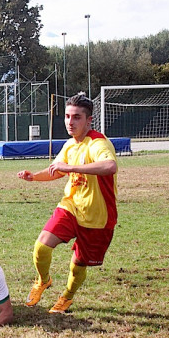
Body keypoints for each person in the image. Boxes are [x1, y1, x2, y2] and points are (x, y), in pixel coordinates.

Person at [18, 93, 118, 314]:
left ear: (88, 120)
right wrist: (33, 176)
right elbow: (56, 170)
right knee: (41, 245)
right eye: (67, 116)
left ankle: (67, 297)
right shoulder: (70, 145)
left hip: (97, 216)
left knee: (79, 263)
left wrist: (73, 168)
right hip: (71, 205)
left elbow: (110, 166)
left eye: (76, 117)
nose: (70, 122)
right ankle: (43, 280)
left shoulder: (97, 143)